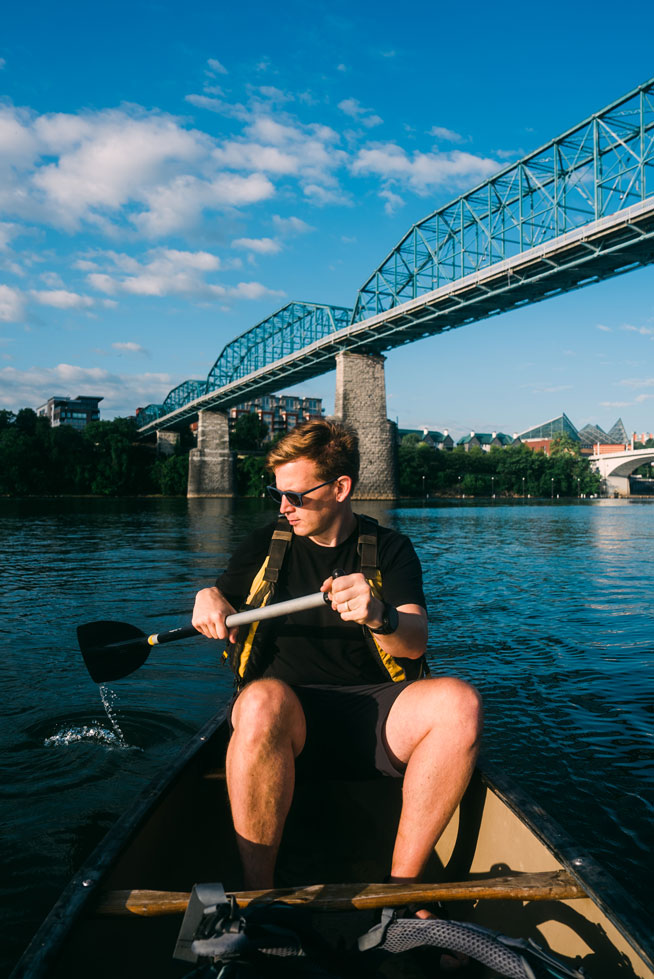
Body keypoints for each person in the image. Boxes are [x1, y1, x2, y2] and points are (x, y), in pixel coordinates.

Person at [192, 419, 482, 899]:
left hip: (376, 718)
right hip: (287, 720)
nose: (284, 507)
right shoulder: (267, 543)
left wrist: (378, 615)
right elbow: (219, 598)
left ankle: (403, 893)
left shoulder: (390, 549)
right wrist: (209, 597)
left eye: (297, 496)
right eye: (276, 493)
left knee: (459, 704)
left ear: (341, 488)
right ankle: (259, 898)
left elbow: (414, 643)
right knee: (261, 701)